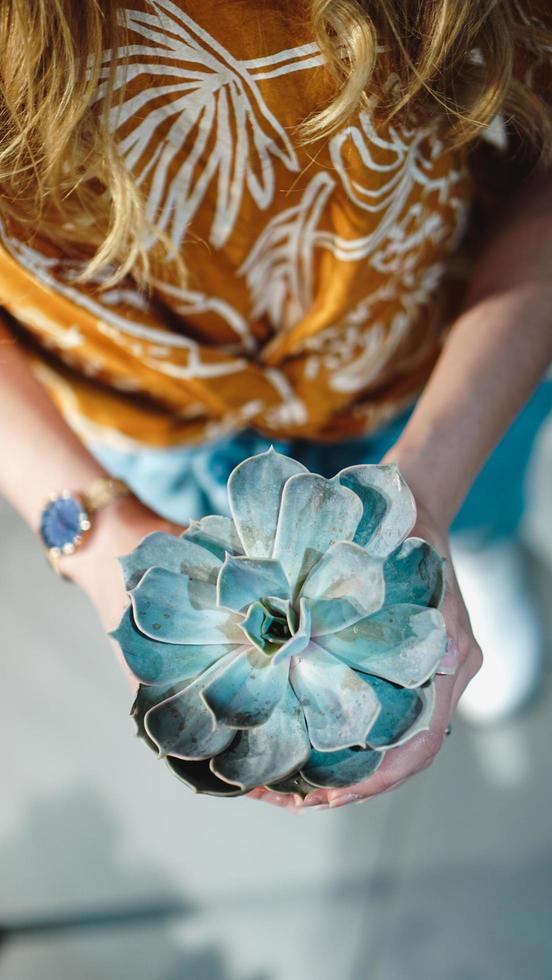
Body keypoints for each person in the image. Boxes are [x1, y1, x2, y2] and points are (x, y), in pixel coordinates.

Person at [0, 0, 551, 811]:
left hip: (436, 342)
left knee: (482, 487)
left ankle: (464, 541)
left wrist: (429, 491)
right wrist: (92, 531)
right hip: (150, 412)